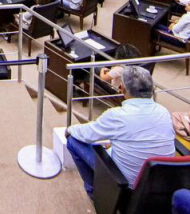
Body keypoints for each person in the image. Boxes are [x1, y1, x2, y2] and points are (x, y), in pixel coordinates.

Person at [64, 67, 174, 196]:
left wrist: (69, 130)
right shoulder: (164, 112)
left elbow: (86, 134)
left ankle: (95, 194)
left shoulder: (117, 115)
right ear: (152, 89)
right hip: (160, 186)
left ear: (123, 88)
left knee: (73, 140)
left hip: (126, 186)